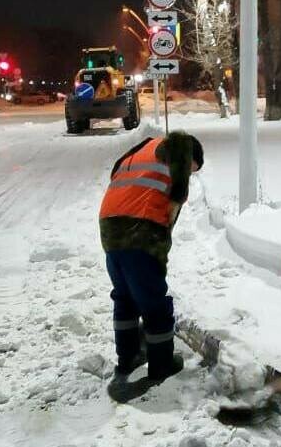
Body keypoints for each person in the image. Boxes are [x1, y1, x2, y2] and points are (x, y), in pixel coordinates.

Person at [99, 131, 204, 382]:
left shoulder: (142, 149)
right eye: (192, 169)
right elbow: (174, 200)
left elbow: (116, 171)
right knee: (154, 302)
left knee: (125, 296)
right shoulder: (178, 147)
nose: (189, 173)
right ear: (191, 155)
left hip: (109, 226)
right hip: (139, 228)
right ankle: (161, 364)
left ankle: (128, 357)